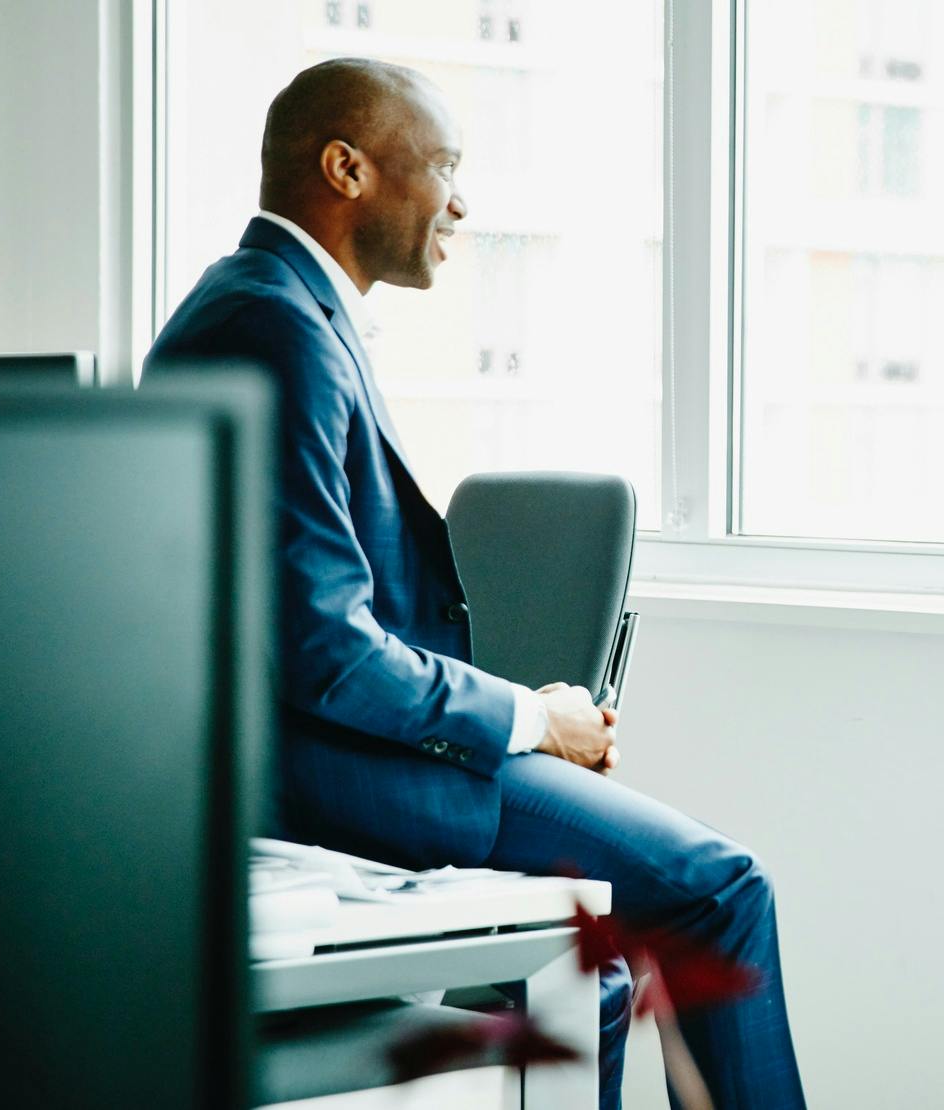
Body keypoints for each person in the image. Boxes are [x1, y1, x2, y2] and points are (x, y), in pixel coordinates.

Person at [144, 58, 805, 1109]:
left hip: (313, 755)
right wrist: (534, 719)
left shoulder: (265, 307)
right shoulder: (274, 329)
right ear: (346, 167)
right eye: (442, 165)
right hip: (334, 774)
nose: (460, 200)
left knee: (600, 970)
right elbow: (326, 650)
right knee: (719, 891)